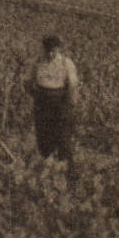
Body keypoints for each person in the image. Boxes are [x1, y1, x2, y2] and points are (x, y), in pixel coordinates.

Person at [30, 35, 79, 169]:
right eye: (48, 51)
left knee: (62, 134)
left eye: (53, 51)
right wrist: (36, 97)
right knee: (43, 133)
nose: (50, 54)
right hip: (42, 101)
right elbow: (30, 81)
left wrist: (70, 103)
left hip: (60, 101)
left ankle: (65, 165)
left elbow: (73, 85)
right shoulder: (38, 62)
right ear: (43, 50)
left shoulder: (66, 63)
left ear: (58, 49)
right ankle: (46, 161)